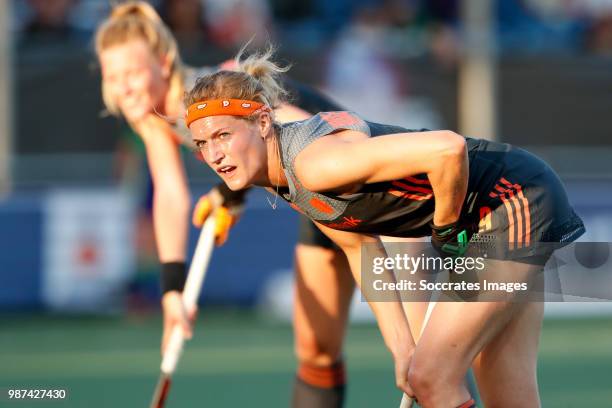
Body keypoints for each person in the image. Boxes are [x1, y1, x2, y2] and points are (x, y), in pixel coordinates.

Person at [183, 49, 586, 407]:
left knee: (433, 377)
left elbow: (447, 149)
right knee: (502, 396)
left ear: (263, 121)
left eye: (224, 135)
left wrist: (446, 228)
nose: (215, 154)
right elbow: (361, 249)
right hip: (510, 201)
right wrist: (401, 349)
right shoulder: (288, 178)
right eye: (203, 144)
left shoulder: (312, 164)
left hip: (512, 201)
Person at [95, 3, 369, 407]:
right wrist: (173, 292)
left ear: (164, 62)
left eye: (133, 73)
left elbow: (299, 138)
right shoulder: (150, 117)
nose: (125, 88)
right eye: (113, 77)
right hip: (317, 206)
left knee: (419, 357)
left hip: (359, 197)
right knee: (316, 352)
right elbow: (170, 193)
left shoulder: (211, 92)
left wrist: (231, 194)